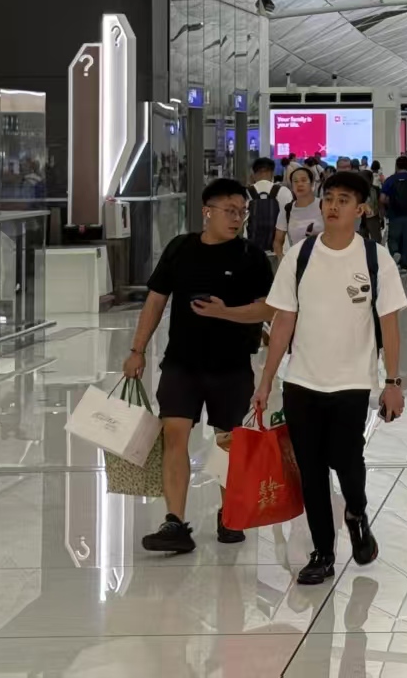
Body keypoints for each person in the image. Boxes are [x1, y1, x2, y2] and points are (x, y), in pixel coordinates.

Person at [255, 169, 406, 586]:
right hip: (302, 380)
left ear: (361, 209)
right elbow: (283, 321)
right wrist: (267, 379)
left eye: (344, 200)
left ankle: (355, 511)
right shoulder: (300, 255)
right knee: (311, 469)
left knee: (347, 460)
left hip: (352, 382)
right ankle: (322, 551)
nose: (333, 206)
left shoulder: (375, 258)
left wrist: (393, 383)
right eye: (329, 199)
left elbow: (389, 324)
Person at [123, 178, 274, 553]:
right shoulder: (180, 249)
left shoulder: (251, 257)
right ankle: (175, 521)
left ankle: (229, 514)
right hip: (182, 362)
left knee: (228, 441)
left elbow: (268, 309)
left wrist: (226, 313)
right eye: (230, 211)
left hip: (231, 365)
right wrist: (137, 349)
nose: (237, 218)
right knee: (174, 436)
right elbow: (156, 300)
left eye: (242, 212)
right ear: (207, 211)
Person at [380, 156, 407, 270]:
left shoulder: (390, 180)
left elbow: (382, 198)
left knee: (393, 238)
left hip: (394, 215)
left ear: (396, 166)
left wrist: (385, 209)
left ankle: (395, 254)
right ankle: (405, 264)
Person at [244, 157, 293, 258]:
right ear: (272, 173)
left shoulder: (245, 193)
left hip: (251, 251)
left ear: (254, 173)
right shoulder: (283, 191)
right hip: (280, 251)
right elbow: (290, 220)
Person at [273, 164, 321, 260]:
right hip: (297, 261)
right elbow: (278, 241)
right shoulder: (287, 210)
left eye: (303, 180)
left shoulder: (323, 205)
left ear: (312, 183)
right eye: (295, 181)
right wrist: (281, 259)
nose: (299, 184)